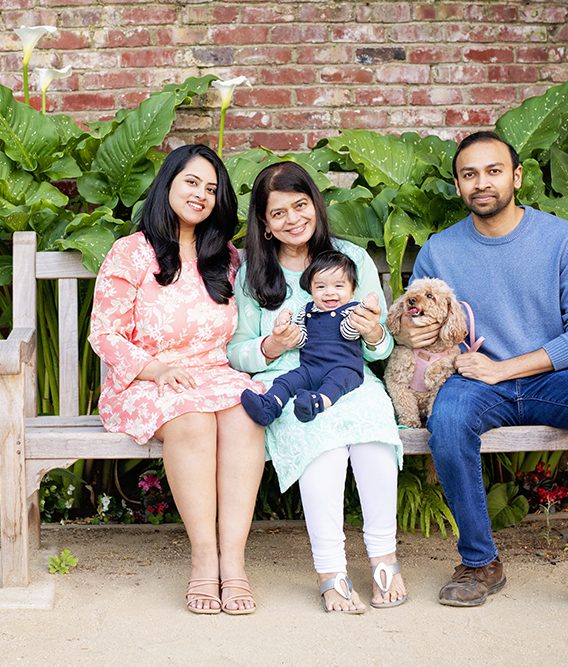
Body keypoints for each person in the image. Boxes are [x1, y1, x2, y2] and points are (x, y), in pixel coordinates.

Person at [398, 130, 568, 616]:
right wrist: (412, 333)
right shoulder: (440, 250)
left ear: (516, 177)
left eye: (493, 171)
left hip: (553, 377)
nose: (482, 183)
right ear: (458, 185)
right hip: (474, 381)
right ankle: (480, 563)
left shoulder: (560, 238)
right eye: (469, 174)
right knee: (447, 421)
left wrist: (506, 368)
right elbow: (419, 322)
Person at [89, 144, 265, 616]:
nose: (201, 194)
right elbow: (104, 333)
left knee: (247, 417)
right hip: (148, 380)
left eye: (211, 188)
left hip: (215, 375)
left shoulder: (225, 257)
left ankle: (234, 563)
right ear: (168, 183)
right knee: (192, 421)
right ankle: (204, 560)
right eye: (191, 182)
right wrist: (158, 369)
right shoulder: (131, 252)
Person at [227, 162, 406, 613]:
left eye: (300, 205)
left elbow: (380, 349)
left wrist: (371, 333)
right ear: (264, 224)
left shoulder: (350, 258)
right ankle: (331, 571)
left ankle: (384, 558)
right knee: (318, 441)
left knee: (373, 432)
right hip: (285, 380)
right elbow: (237, 351)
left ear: (316, 205)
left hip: (348, 376)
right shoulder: (252, 272)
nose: (293, 219)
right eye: (279, 213)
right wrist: (271, 346)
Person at [240, 250, 381, 425]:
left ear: (352, 291)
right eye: (321, 287)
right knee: (287, 380)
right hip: (311, 367)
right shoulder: (307, 312)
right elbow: (302, 339)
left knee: (334, 384)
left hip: (344, 368)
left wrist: (364, 309)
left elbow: (348, 332)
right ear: (311, 290)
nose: (329, 292)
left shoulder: (352, 311)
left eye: (338, 286)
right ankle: (270, 404)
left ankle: (315, 403)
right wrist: (288, 329)